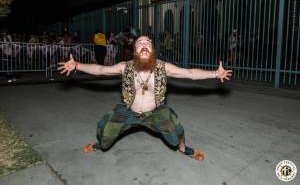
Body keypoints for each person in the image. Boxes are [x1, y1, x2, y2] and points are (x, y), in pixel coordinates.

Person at [58, 35, 232, 161]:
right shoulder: (124, 67)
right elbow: (100, 70)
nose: (144, 45)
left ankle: (183, 148)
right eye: (140, 43)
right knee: (105, 136)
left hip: (155, 112)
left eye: (147, 43)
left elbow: (190, 73)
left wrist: (216, 73)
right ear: (134, 51)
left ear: (152, 50)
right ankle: (99, 145)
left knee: (176, 133)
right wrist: (77, 66)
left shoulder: (163, 67)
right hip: (128, 111)